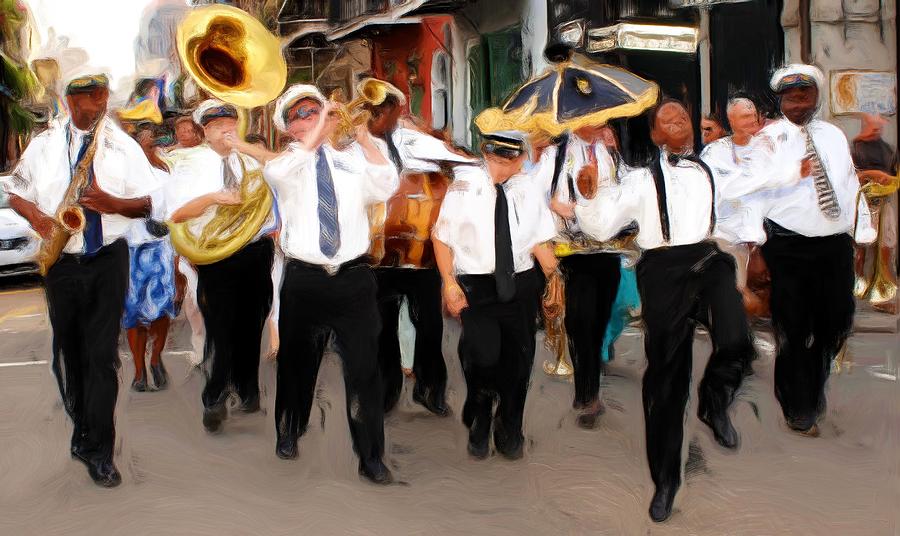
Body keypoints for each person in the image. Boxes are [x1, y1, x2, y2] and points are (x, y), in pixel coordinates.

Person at [574, 98, 756, 522]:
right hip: (663, 270)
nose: (677, 122)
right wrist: (588, 195)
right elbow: (601, 226)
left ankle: (714, 401)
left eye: (681, 116)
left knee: (736, 341)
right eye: (666, 120)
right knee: (666, 379)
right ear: (656, 135)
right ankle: (665, 481)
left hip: (708, 261)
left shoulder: (711, 168)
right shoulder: (638, 181)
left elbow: (746, 199)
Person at [1, 72, 159, 487]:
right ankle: (82, 426)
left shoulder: (122, 147)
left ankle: (100, 450)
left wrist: (114, 204)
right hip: (62, 261)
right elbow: (13, 190)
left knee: (102, 355)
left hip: (107, 258)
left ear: (106, 98)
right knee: (69, 353)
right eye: (84, 101)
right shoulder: (44, 145)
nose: (93, 107)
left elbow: (149, 204)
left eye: (99, 99)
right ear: (68, 102)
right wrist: (36, 215)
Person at [253, 84, 399, 484]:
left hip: (352, 277)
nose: (311, 118)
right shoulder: (285, 164)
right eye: (300, 115)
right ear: (288, 128)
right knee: (298, 365)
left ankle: (371, 456)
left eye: (314, 110)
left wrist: (365, 136)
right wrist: (320, 131)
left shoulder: (351, 160)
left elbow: (386, 183)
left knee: (365, 370)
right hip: (305, 279)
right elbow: (280, 173)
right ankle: (289, 428)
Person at [754, 65, 875, 437]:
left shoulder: (834, 135)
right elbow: (754, 194)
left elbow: (848, 181)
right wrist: (755, 248)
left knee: (836, 322)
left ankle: (812, 386)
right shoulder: (768, 140)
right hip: (787, 246)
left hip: (834, 245)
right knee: (793, 326)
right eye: (790, 98)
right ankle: (798, 406)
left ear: (816, 98)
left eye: (803, 97)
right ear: (781, 101)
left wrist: (862, 233)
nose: (796, 104)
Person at [433, 130, 559, 460]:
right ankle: (479, 411)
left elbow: (539, 239)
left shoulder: (528, 188)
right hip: (477, 285)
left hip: (521, 284)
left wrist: (554, 277)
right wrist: (449, 283)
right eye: (514, 160)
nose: (519, 165)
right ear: (496, 157)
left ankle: (510, 427)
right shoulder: (464, 186)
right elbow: (442, 238)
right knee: (482, 356)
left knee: (519, 364)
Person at [361, 78, 475, 416]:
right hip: (376, 257)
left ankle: (431, 390)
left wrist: (444, 171)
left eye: (384, 108)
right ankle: (386, 391)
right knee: (381, 330)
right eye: (373, 108)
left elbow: (461, 163)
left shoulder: (414, 139)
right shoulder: (355, 144)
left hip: (421, 257)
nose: (377, 114)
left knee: (430, 327)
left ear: (398, 110)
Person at [165, 99, 276, 433]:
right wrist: (214, 198)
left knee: (252, 323)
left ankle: (247, 389)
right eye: (217, 126)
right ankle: (214, 397)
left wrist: (243, 147)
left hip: (256, 251)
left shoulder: (249, 158)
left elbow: (282, 169)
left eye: (230, 123)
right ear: (205, 131)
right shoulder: (189, 165)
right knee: (221, 328)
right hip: (217, 258)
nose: (226, 130)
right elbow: (176, 214)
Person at [530, 122, 620, 428]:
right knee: (580, 322)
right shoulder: (555, 156)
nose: (596, 123)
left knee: (597, 324)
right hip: (573, 254)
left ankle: (589, 385)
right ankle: (587, 395)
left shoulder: (609, 155)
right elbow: (534, 198)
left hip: (607, 251)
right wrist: (556, 209)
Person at [700, 97, 769, 315]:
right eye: (746, 116)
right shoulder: (715, 152)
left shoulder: (769, 148)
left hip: (765, 235)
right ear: (732, 119)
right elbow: (717, 192)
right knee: (739, 300)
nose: (752, 120)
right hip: (728, 237)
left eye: (754, 115)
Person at [124, 123, 177, 391]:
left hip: (160, 249)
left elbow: (175, 214)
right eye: (142, 141)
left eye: (150, 140)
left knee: (161, 312)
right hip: (132, 250)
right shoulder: (122, 177)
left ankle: (155, 359)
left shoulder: (165, 175)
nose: (147, 144)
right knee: (133, 315)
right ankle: (138, 371)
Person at [852, 113, 898, 313]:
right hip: (862, 202)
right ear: (865, 124)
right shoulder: (855, 148)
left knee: (886, 246)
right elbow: (851, 175)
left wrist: (888, 180)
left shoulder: (888, 149)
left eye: (879, 125)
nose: (876, 127)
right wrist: (873, 175)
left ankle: (882, 293)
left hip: (884, 200)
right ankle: (859, 286)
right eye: (873, 124)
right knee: (862, 246)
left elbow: (894, 173)